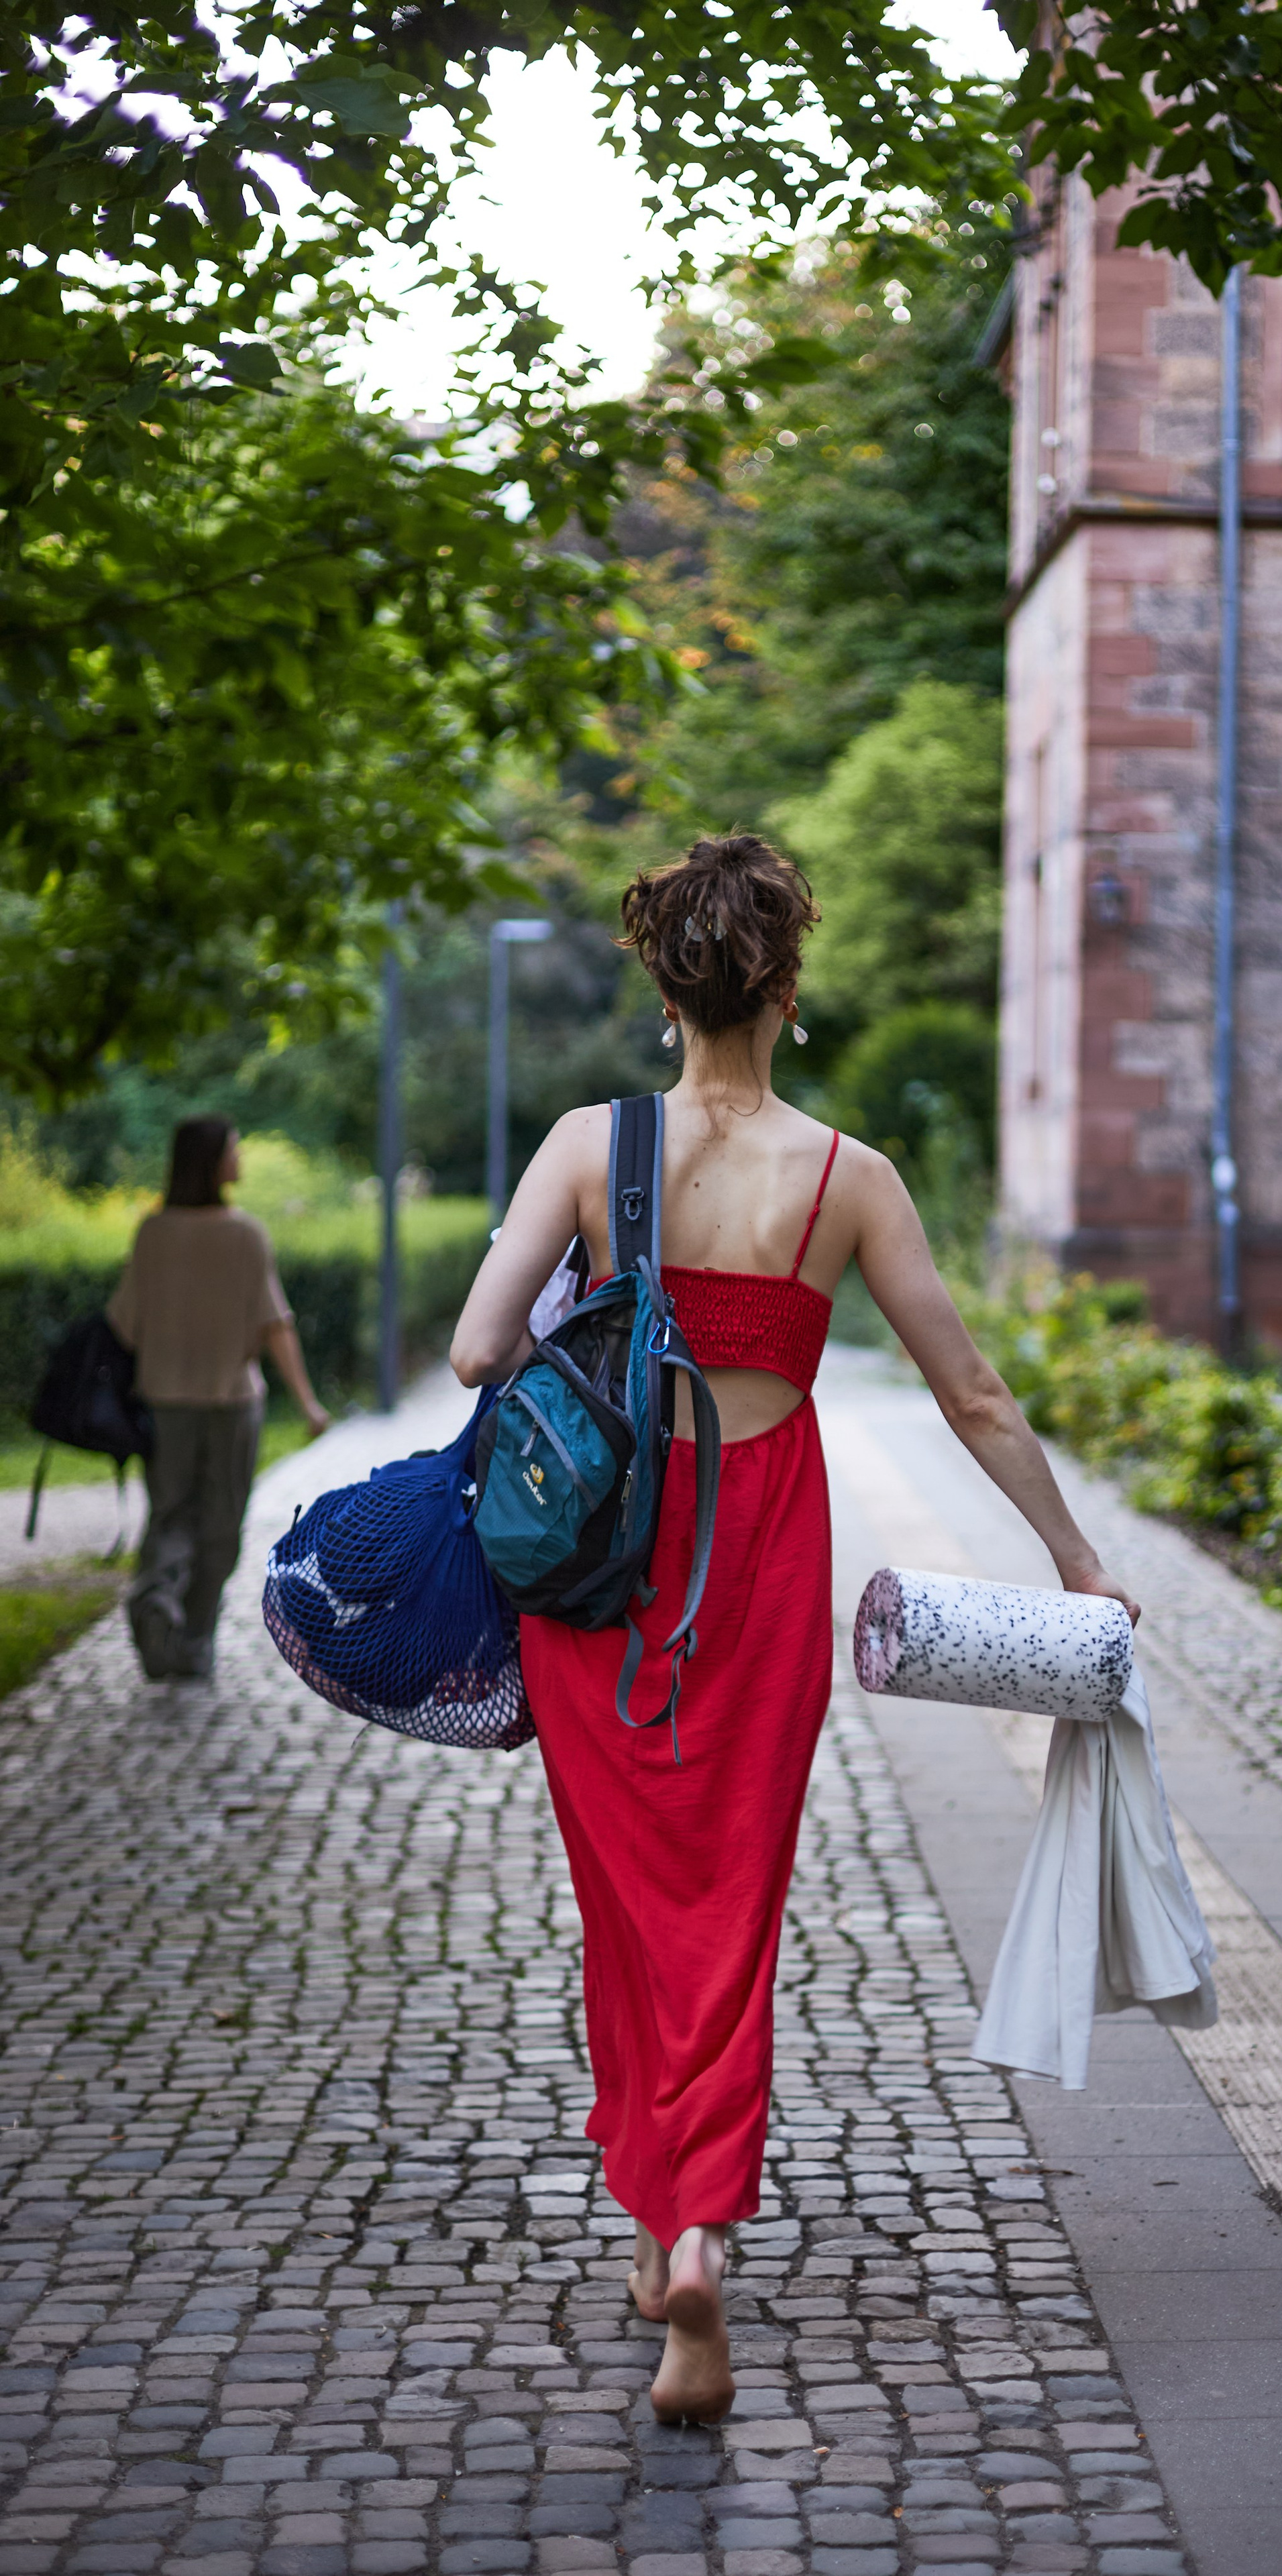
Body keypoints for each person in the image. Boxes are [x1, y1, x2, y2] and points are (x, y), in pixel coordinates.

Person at [449, 835, 1137, 2424]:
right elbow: (971, 1392)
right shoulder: (849, 1178)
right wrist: (1074, 1554)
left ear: (662, 983)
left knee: (630, 1905)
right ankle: (690, 2229)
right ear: (786, 986)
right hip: (756, 1560)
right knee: (727, 1909)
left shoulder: (581, 1145)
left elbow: (485, 1347)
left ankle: (659, 2219)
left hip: (607, 1575)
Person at [109, 1117, 329, 1681]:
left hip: (165, 1400)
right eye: (234, 1149)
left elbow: (126, 1324)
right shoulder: (245, 1235)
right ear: (211, 1161)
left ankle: (155, 1598)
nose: (241, 1159)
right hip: (232, 1401)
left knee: (169, 1513)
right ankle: (195, 1639)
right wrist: (307, 1403)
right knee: (221, 1522)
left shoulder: (152, 1232)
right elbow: (274, 1324)